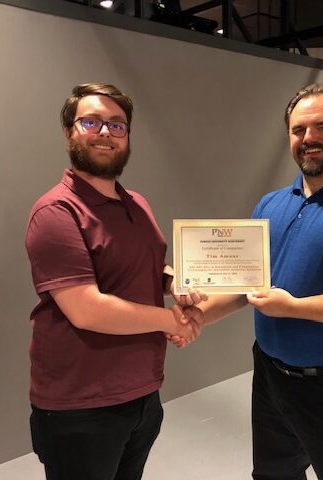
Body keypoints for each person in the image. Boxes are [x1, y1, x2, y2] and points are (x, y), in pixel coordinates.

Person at [175, 82, 323, 480]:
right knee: (273, 474)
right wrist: (198, 314)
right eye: (299, 130)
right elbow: (246, 284)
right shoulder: (271, 204)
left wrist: (294, 308)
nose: (309, 139)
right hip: (271, 374)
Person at [25, 82, 205, 480]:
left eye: (117, 125)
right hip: (81, 406)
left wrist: (175, 282)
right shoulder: (56, 212)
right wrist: (170, 321)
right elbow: (86, 309)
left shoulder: (136, 203)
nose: (105, 132)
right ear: (70, 132)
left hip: (142, 393)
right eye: (91, 122)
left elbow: (151, 264)